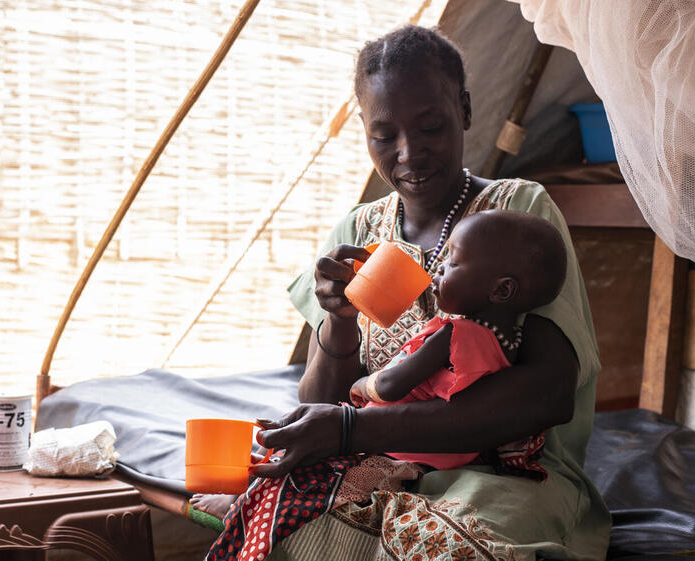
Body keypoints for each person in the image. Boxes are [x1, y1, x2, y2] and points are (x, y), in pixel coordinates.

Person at [205, 24, 610, 561]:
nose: (409, 153)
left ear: (465, 110)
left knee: (451, 547)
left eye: (430, 126)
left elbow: (548, 392)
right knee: (277, 522)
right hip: (382, 467)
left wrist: (354, 428)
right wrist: (340, 320)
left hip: (504, 476)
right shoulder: (358, 230)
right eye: (383, 135)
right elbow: (320, 402)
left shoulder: (514, 214)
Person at [348, 209, 568, 471]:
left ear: (501, 289)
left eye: (453, 262)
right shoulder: (511, 346)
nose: (440, 267)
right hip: (452, 457)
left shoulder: (454, 334)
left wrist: (360, 386)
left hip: (396, 447)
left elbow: (389, 386)